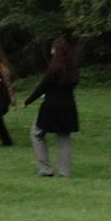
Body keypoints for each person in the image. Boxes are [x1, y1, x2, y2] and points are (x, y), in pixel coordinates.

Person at [24, 35, 79, 177]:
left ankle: (45, 169)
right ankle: (65, 172)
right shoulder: (72, 68)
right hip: (68, 106)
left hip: (51, 106)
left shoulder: (54, 68)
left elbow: (42, 86)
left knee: (36, 133)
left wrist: (28, 101)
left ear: (56, 50)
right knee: (64, 138)